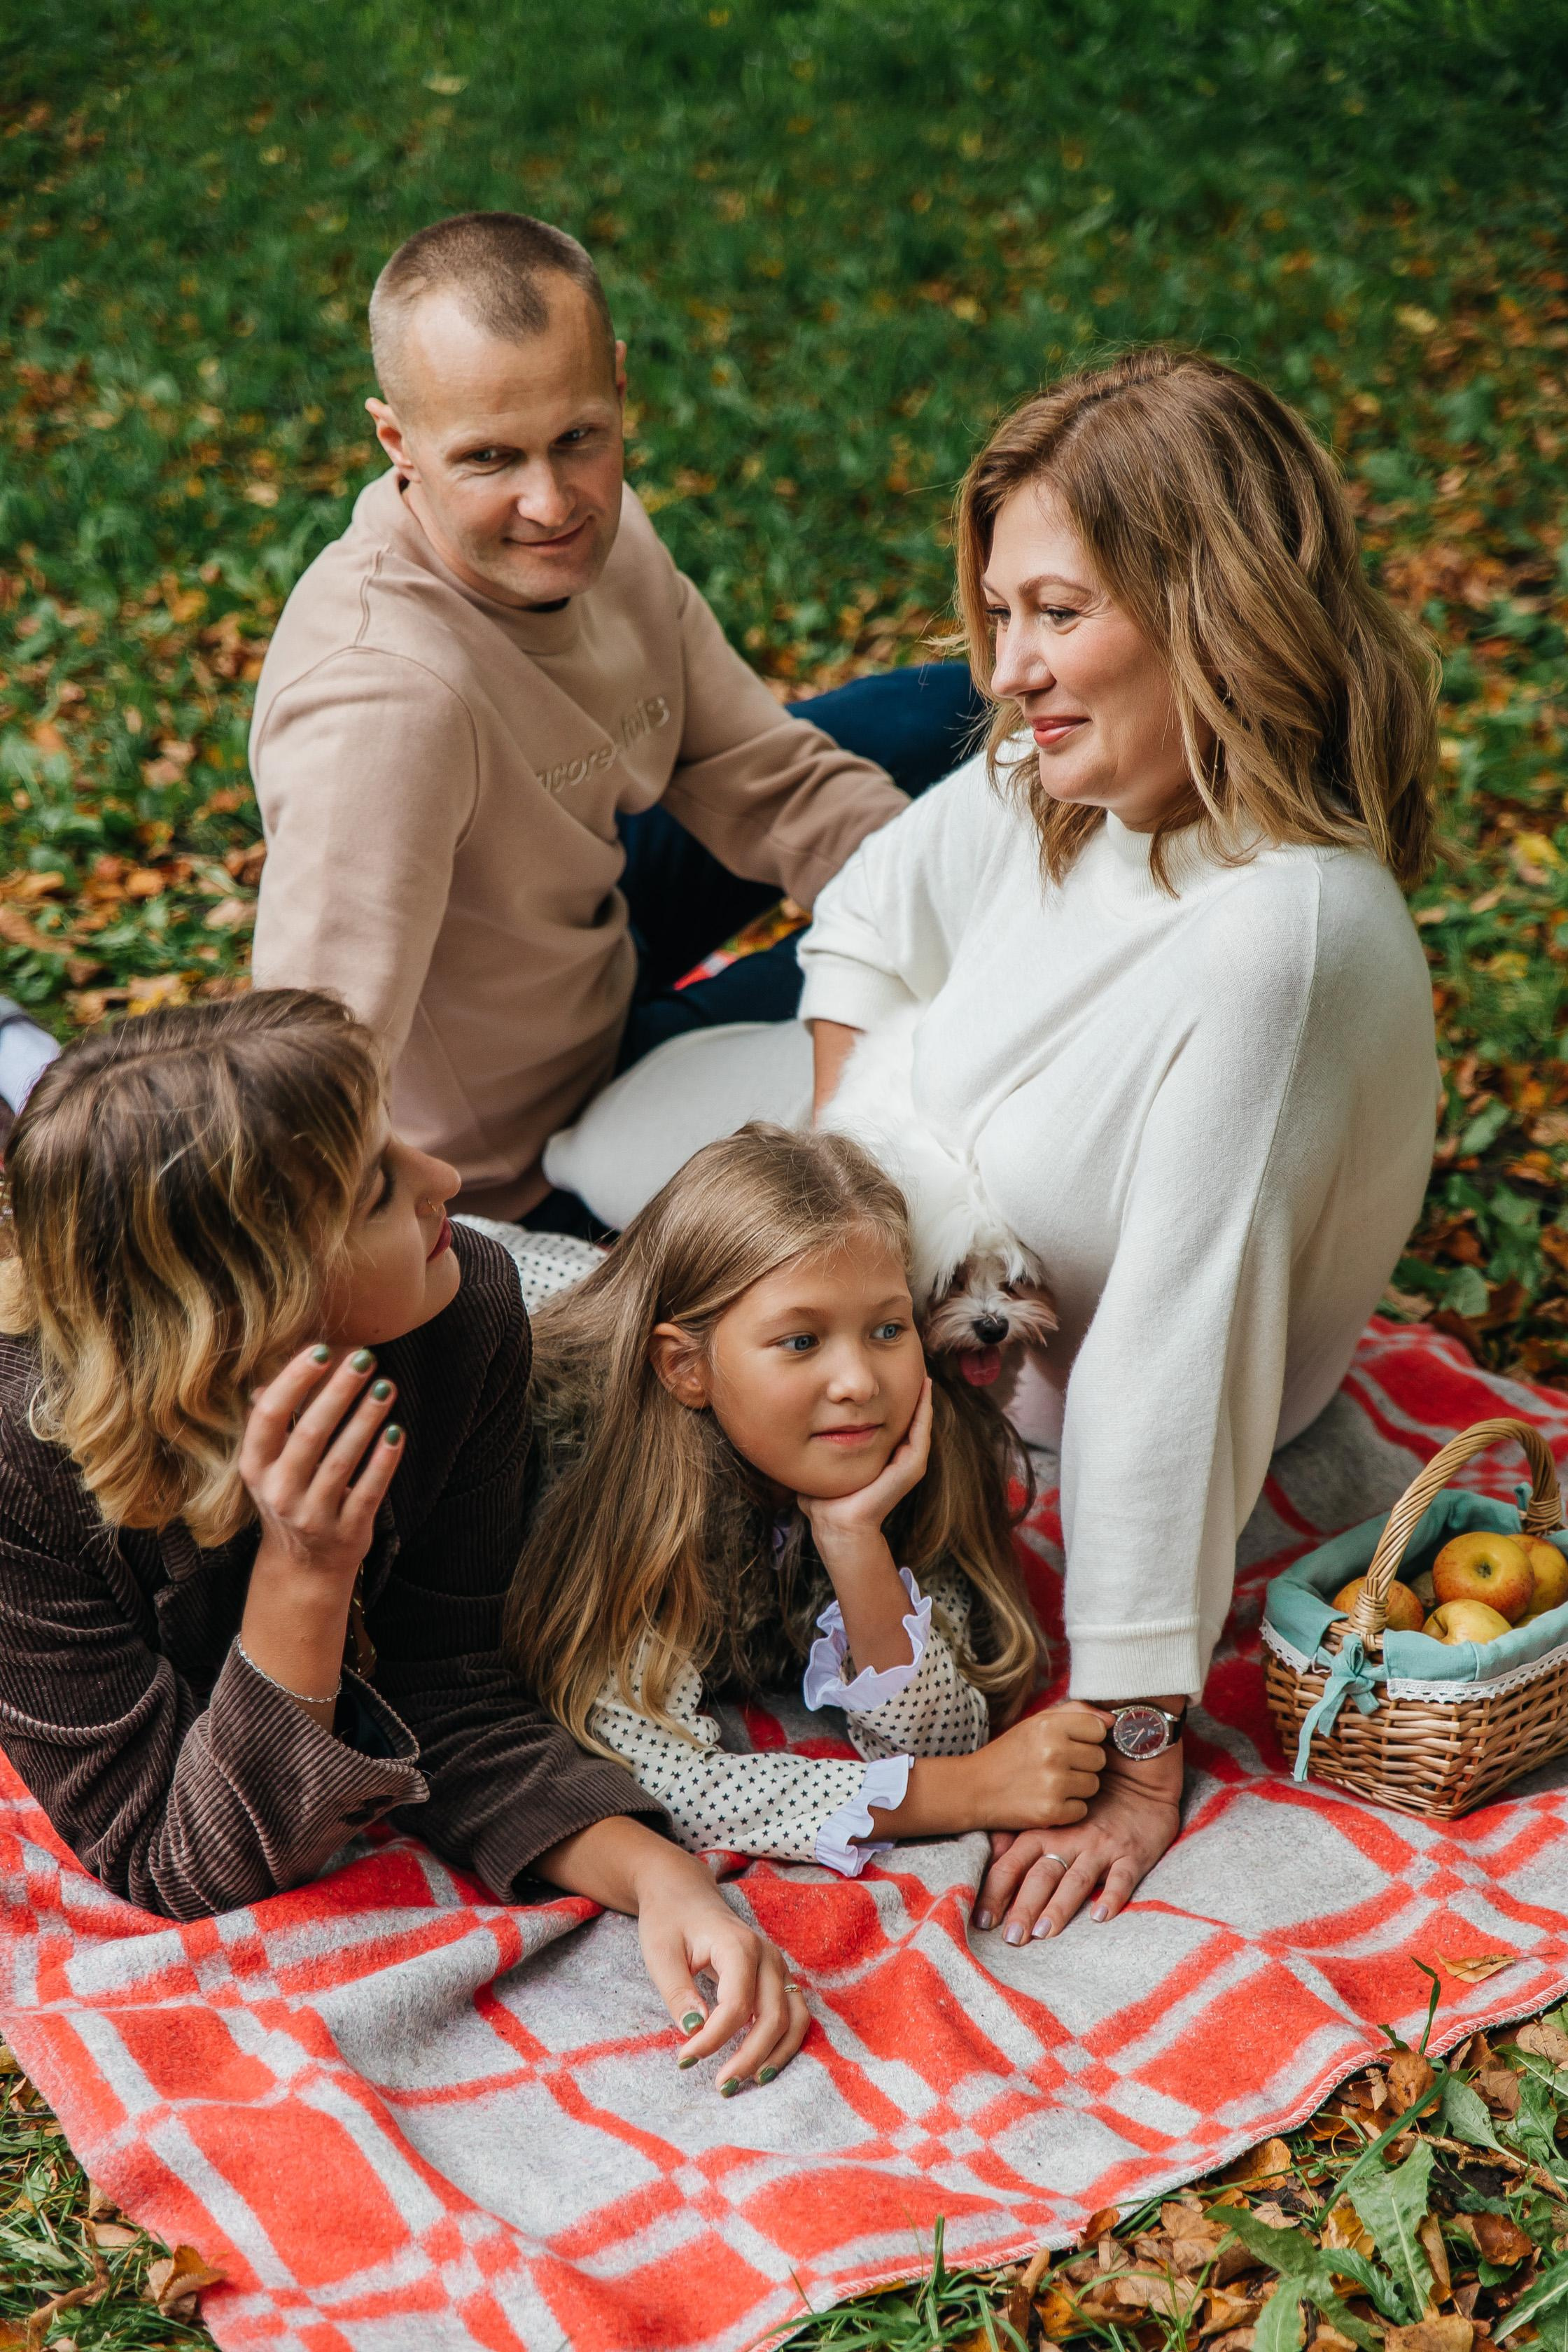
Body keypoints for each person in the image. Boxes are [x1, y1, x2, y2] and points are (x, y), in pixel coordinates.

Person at [553, 348, 1443, 1943]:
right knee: (591, 1160)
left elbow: (1172, 1355)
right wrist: (824, 1191)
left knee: (590, 1233)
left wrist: (1140, 1749)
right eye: (1004, 613)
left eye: (1061, 612)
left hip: (985, 1361)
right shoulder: (1066, 769)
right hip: (888, 1194)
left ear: (1210, 607)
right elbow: (879, 913)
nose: (1014, 669)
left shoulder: (1279, 940)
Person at [0, 992, 808, 2095]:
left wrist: (662, 1876)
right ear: (259, 1297)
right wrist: (308, 1570)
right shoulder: (19, 1476)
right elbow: (173, 1858)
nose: (446, 1180)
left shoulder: (464, 1307)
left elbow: (450, 1684)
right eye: (380, 1186)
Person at [247, 209, 978, 1226]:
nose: (551, 504)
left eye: (578, 438)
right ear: (396, 442)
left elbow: (766, 778)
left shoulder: (608, 532)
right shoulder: (380, 704)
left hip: (593, 938)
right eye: (490, 460)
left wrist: (987, 920)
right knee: (946, 1041)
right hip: (518, 1162)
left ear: (619, 388)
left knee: (945, 713)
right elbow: (308, 1071)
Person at [506, 1123, 1107, 1881]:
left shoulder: (911, 1435)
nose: (858, 1380)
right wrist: (954, 1797)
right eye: (800, 1342)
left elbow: (941, 1733)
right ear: (685, 1369)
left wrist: (856, 1543)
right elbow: (667, 1781)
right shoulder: (623, 1479)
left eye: (886, 1329)